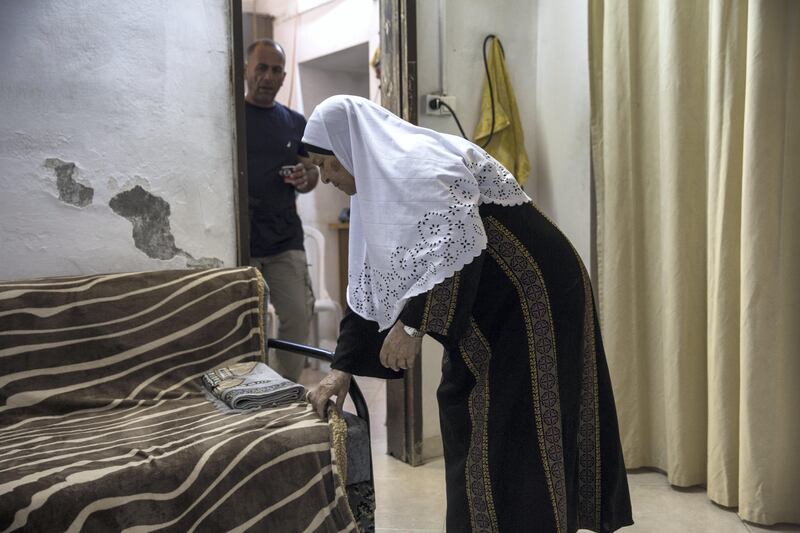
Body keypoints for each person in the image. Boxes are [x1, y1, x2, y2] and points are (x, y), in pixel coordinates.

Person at [305, 95, 633, 532]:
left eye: (328, 165)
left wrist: (413, 324)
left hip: (535, 298)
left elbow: (455, 241)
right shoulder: (379, 191)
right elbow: (371, 285)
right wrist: (342, 369)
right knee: (473, 415)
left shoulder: (415, 165)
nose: (326, 178)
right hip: (496, 305)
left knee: (516, 431)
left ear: (351, 149)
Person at [244, 39, 319, 381]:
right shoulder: (230, 117)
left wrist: (308, 176)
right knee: (242, 327)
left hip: (285, 240)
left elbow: (315, 170)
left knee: (299, 318)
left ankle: (278, 391)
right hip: (241, 244)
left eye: (276, 70)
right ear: (246, 70)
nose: (268, 76)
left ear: (284, 76)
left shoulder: (294, 122)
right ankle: (244, 391)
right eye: (261, 67)